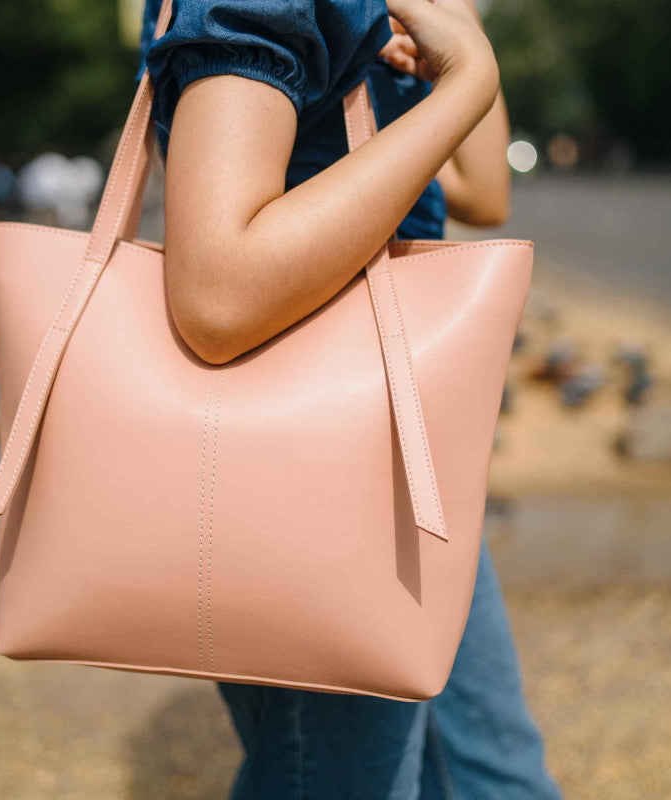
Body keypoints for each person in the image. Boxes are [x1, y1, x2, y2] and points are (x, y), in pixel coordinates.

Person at [138, 0, 562, 797]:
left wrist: (459, 47)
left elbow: (482, 191)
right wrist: (470, 77)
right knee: (341, 778)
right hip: (315, 454)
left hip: (406, 441)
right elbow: (220, 295)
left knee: (493, 778)